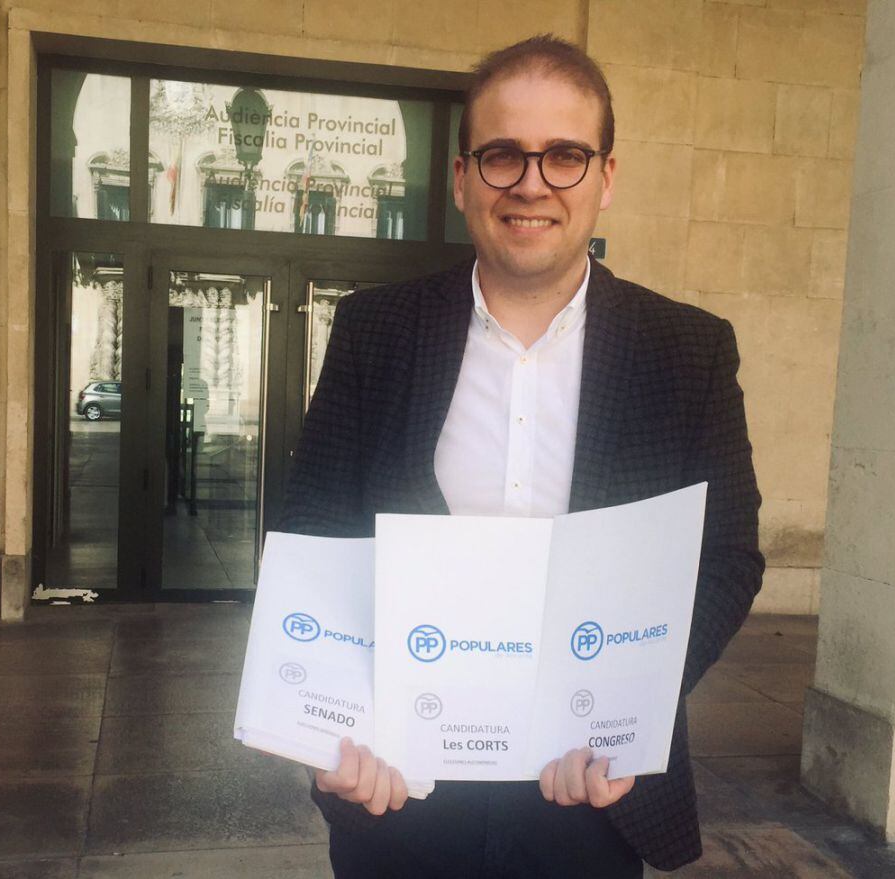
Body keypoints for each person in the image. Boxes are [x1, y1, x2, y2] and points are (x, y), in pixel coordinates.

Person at [277, 34, 764, 878]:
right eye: (503, 155)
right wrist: (334, 722)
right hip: (400, 787)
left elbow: (725, 558)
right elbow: (313, 535)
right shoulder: (375, 331)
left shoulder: (686, 350)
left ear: (606, 178)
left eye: (565, 155)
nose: (532, 183)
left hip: (586, 792)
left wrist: (625, 710)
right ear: (463, 176)